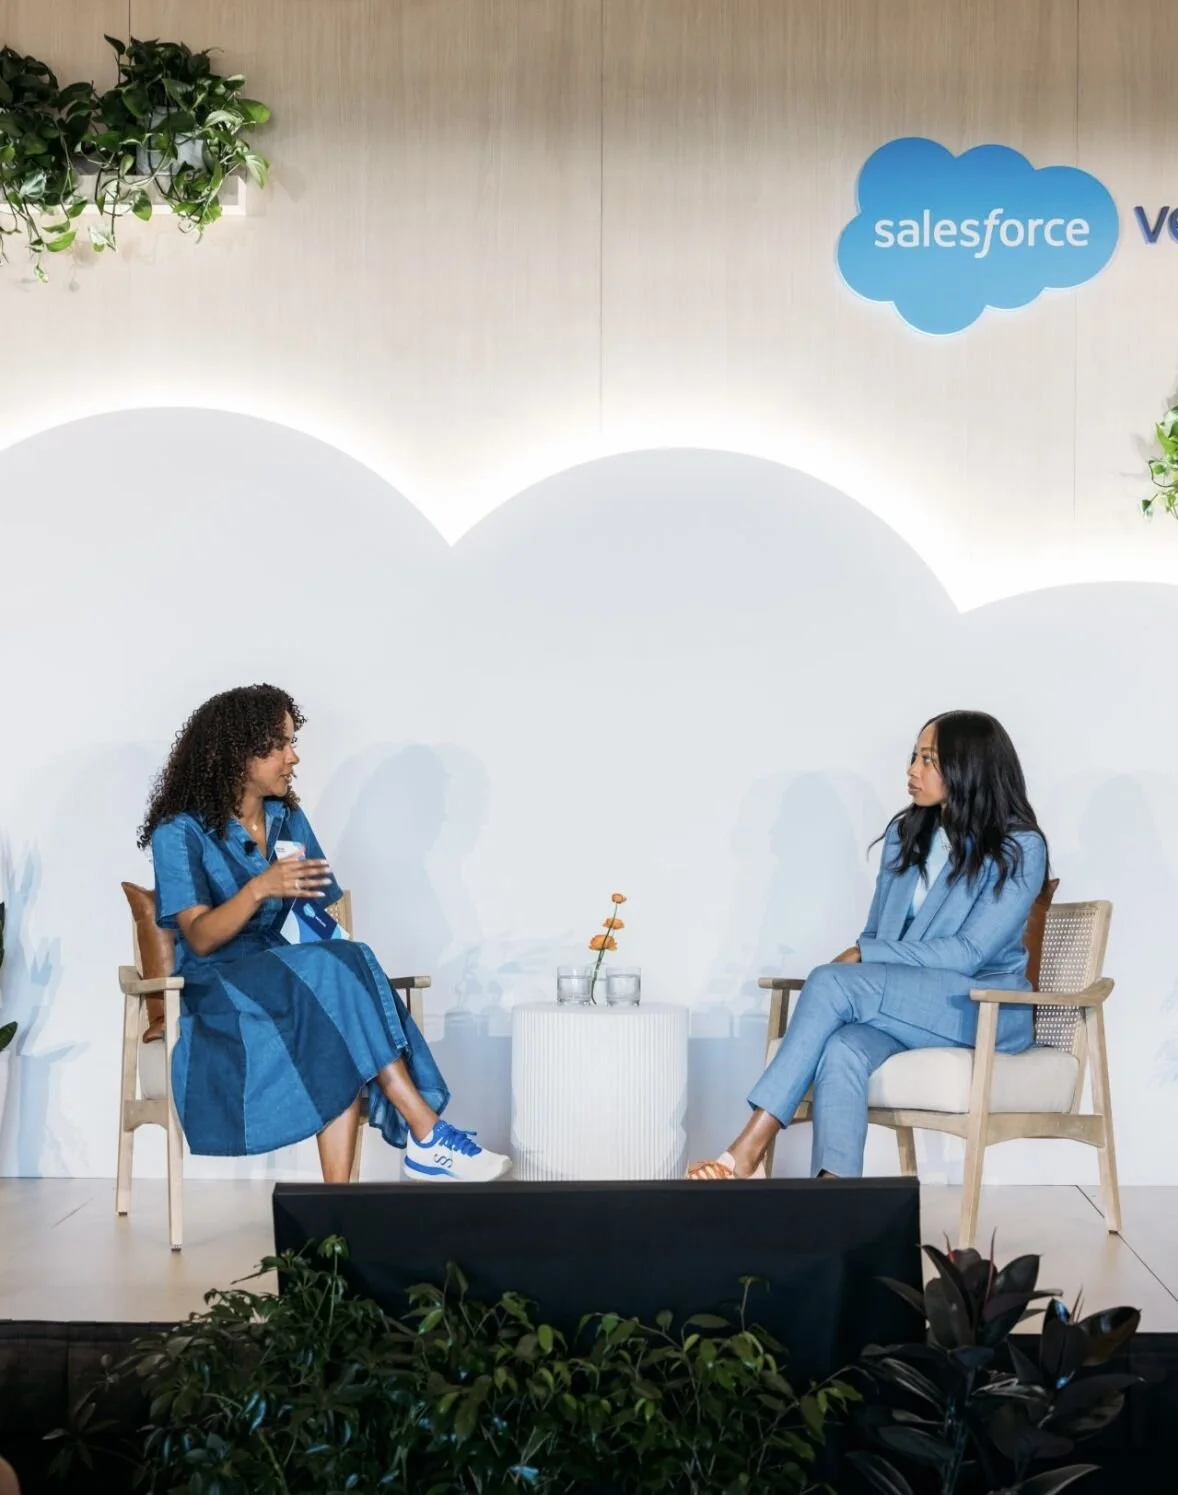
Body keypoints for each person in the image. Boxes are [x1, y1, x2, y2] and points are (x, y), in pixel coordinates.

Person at [138, 683, 510, 1184]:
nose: (293, 758)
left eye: (294, 743)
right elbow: (200, 939)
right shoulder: (178, 832)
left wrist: (317, 928)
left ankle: (340, 1207)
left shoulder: (285, 816)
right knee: (335, 972)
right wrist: (260, 889)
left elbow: (315, 907)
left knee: (343, 972)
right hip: (219, 988)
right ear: (238, 753)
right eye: (281, 745)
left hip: (289, 975)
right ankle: (425, 1131)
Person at [688, 710, 1049, 1181]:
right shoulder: (906, 836)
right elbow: (879, 932)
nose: (912, 771)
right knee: (842, 1048)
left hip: (982, 1008)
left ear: (969, 768)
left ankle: (746, 1152)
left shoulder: (1018, 849)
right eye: (914, 757)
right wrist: (871, 951)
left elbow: (968, 953)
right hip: (908, 1004)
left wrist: (866, 954)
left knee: (833, 983)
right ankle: (835, 1206)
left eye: (928, 760)